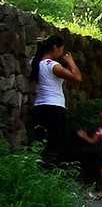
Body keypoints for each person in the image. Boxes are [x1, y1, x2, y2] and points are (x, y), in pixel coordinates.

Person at [28, 34, 83, 165]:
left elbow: (39, 56)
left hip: (39, 108)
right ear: (54, 47)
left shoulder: (35, 62)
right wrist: (70, 61)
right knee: (54, 145)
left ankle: (38, 172)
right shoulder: (52, 66)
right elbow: (77, 78)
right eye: (61, 49)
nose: (62, 53)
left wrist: (42, 46)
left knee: (41, 144)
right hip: (54, 108)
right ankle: (49, 172)